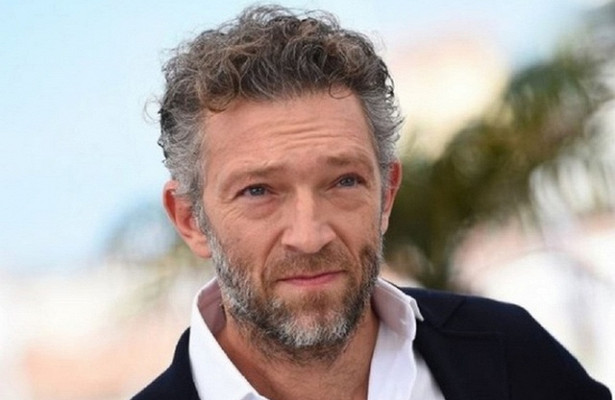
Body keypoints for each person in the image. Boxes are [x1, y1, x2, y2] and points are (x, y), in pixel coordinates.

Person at [133, 5, 611, 400]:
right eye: (258, 190)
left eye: (344, 181)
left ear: (386, 196)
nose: (309, 236)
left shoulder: (511, 355)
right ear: (190, 219)